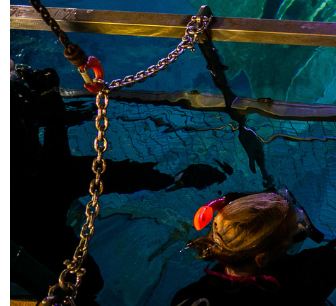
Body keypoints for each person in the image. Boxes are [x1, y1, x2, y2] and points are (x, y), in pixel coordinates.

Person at [10, 63, 228, 304]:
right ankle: (174, 181)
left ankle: (174, 180)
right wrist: (50, 101)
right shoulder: (40, 178)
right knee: (87, 282)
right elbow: (56, 164)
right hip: (31, 204)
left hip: (37, 178)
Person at [172, 138, 336, 305]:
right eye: (295, 231)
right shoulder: (309, 277)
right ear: (262, 258)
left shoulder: (191, 297)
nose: (301, 225)